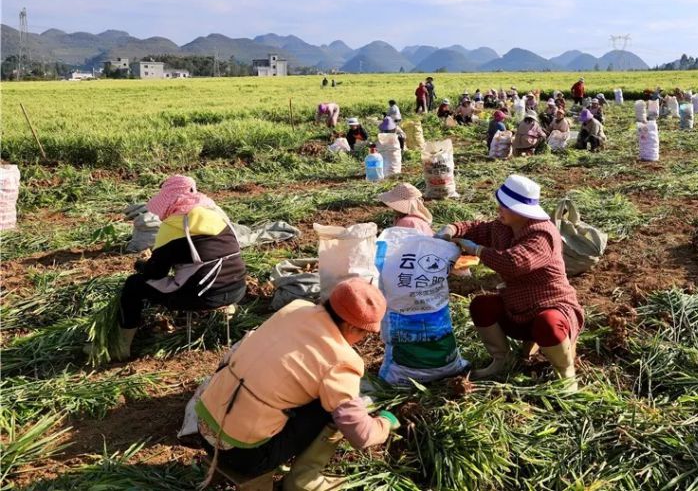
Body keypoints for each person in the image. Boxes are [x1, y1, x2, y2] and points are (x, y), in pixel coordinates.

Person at [191, 279, 399, 490]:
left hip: (204, 427)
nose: (363, 340)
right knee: (335, 409)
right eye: (364, 334)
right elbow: (360, 435)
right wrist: (384, 423)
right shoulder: (341, 360)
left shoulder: (296, 308)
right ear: (351, 326)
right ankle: (303, 480)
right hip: (243, 455)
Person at [437, 175, 583, 392]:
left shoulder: (542, 233)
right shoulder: (503, 226)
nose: (499, 209)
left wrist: (477, 250)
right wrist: (452, 229)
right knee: (481, 306)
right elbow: (477, 228)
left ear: (522, 210)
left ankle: (565, 374)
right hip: (517, 307)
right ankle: (501, 361)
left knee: (548, 324)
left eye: (504, 206)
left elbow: (514, 263)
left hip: (550, 305)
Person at [86, 176, 246, 362]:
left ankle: (120, 347)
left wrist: (142, 265)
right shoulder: (216, 216)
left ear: (170, 201)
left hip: (204, 296)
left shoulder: (173, 226)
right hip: (237, 289)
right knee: (209, 272)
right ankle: (226, 312)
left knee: (134, 285)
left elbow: (155, 273)